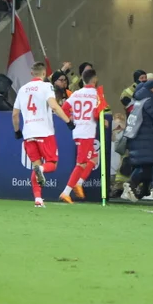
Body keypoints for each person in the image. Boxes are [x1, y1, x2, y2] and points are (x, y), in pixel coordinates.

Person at [12, 61, 75, 207]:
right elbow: (54, 106)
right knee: (51, 164)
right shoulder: (47, 86)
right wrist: (68, 121)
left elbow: (15, 114)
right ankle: (41, 170)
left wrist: (17, 131)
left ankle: (38, 199)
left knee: (36, 164)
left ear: (31, 73)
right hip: (45, 132)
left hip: (28, 134)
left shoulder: (22, 89)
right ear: (44, 73)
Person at [59, 68, 103, 203]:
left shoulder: (76, 94)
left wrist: (71, 119)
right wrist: (103, 120)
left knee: (94, 158)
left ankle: (79, 183)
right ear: (94, 80)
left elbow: (64, 109)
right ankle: (66, 192)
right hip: (87, 132)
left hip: (78, 130)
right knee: (81, 163)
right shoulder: (97, 94)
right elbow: (96, 114)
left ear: (83, 80)